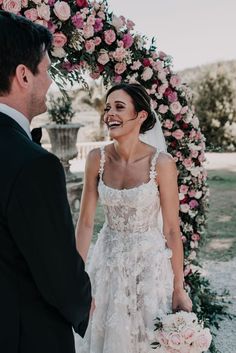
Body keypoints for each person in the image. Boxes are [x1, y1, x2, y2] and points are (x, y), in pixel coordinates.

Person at [76, 83, 192, 352]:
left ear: (141, 116)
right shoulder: (97, 158)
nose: (109, 114)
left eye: (119, 107)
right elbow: (85, 223)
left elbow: (172, 230)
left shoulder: (162, 164)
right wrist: (76, 279)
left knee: (146, 340)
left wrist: (178, 288)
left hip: (148, 267)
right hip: (107, 263)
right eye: (107, 108)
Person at [0, 11, 91, 353]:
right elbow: (61, 281)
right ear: (24, 75)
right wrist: (84, 301)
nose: (50, 81)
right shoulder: (34, 166)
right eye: (47, 69)